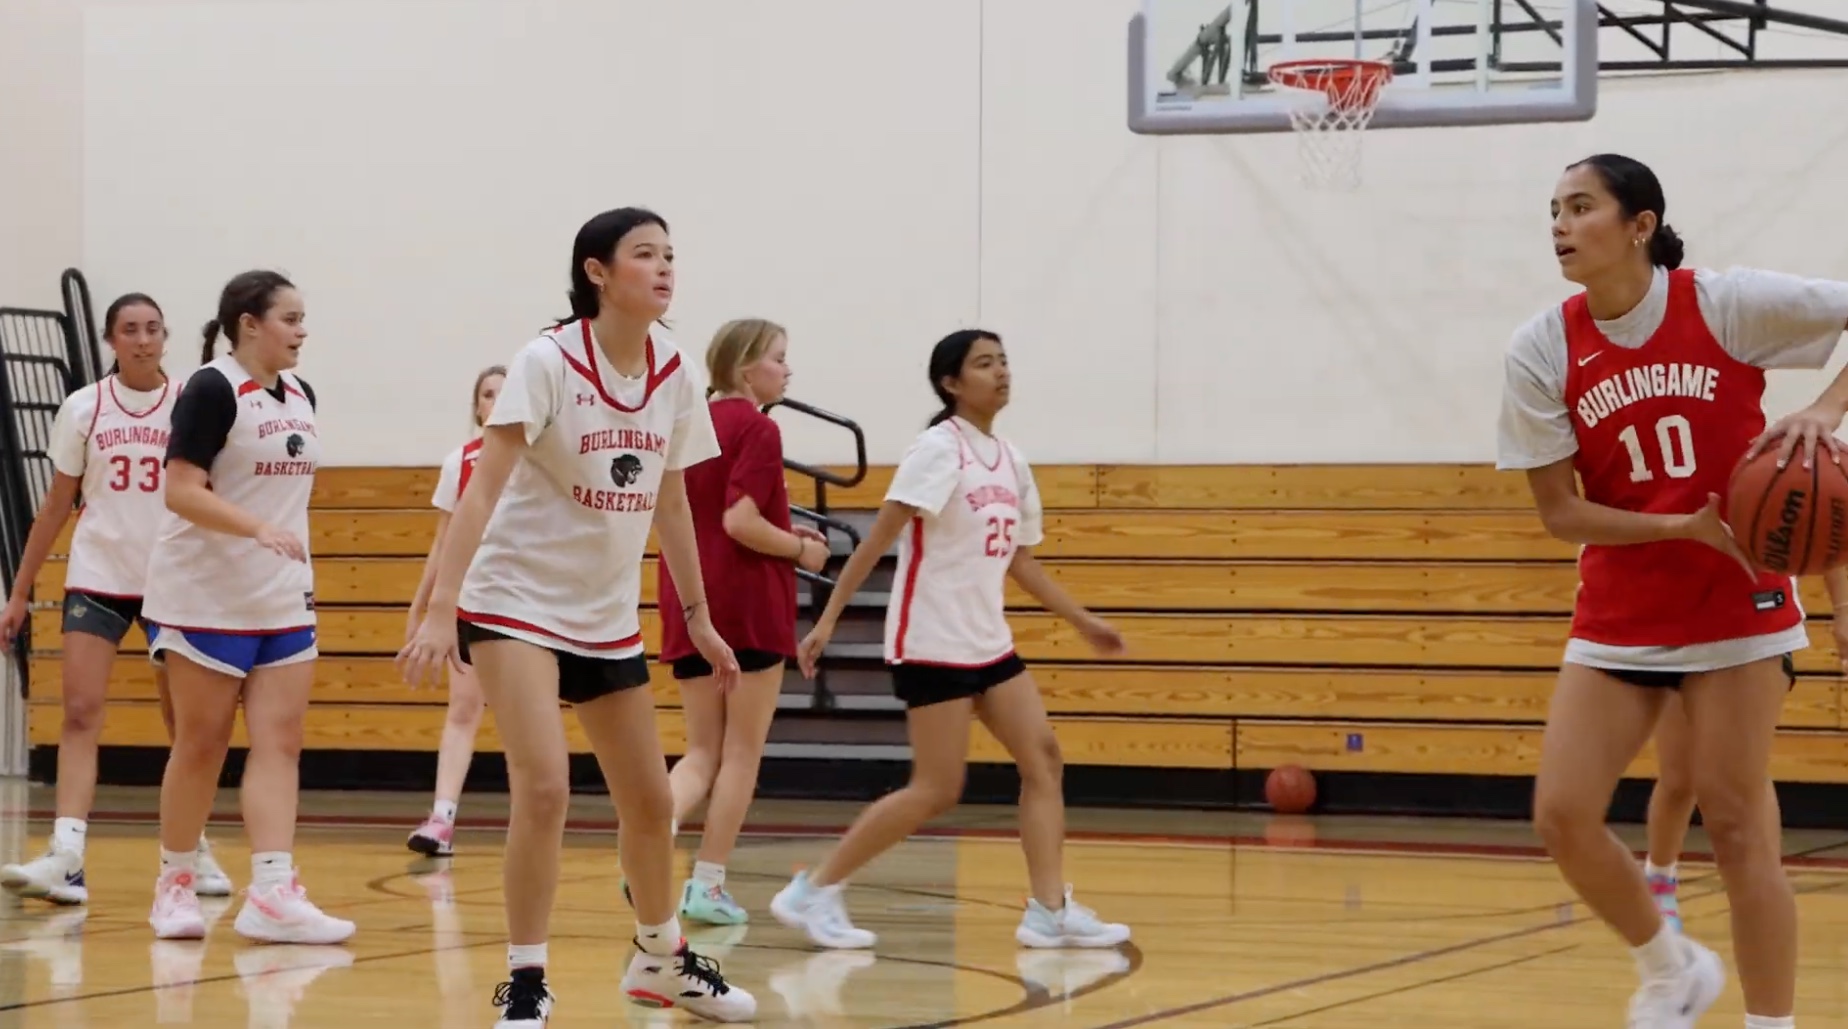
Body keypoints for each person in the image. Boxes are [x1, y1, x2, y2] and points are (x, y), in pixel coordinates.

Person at [1497, 152, 1848, 1029]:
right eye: (1554, 210)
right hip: (1623, 609)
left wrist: (1827, 410)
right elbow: (1559, 512)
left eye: (1581, 208)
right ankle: (1671, 965)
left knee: (1737, 824)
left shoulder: (1723, 304)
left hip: (1740, 606)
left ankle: (1773, 1023)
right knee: (1563, 815)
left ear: (1640, 225)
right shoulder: (1542, 345)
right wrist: (1674, 526)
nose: (1560, 226)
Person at [396, 206, 756, 1025]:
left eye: (671, 255)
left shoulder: (674, 368)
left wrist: (697, 614)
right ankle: (526, 979)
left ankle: (660, 961)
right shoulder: (546, 360)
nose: (665, 268)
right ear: (597, 271)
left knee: (652, 803)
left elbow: (671, 501)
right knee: (547, 787)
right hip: (513, 602)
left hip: (604, 614)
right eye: (645, 254)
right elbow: (483, 487)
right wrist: (441, 607)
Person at [770, 329, 1133, 952]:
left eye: (1004, 361)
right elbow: (881, 537)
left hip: (988, 642)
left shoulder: (1011, 460)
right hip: (932, 640)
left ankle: (1048, 911)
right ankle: (814, 892)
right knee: (938, 788)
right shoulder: (938, 450)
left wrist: (1082, 621)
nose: (1001, 372)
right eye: (984, 364)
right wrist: (827, 619)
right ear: (951, 383)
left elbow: (1021, 562)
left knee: (1043, 759)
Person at [142, 270, 355, 946]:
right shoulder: (211, 387)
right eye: (290, 318)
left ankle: (272, 889)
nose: (302, 330)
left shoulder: (301, 393)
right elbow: (179, 490)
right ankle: (175, 881)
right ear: (249, 324)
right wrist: (253, 527)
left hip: (283, 594)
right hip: (206, 591)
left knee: (281, 742)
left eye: (302, 318)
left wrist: (274, 536)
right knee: (201, 743)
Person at [0, 293, 232, 904]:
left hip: (172, 581)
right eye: (130, 330)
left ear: (165, 336)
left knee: (184, 726)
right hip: (98, 575)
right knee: (79, 714)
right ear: (111, 341)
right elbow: (55, 508)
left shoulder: (190, 402)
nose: (143, 339)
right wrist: (19, 593)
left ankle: (193, 847)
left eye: (153, 328)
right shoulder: (84, 407)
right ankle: (66, 855)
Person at [655, 318, 828, 925]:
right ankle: (707, 885)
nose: (787, 370)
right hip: (747, 605)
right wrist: (801, 549)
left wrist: (783, 531)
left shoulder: (688, 424)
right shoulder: (758, 426)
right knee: (741, 753)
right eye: (779, 358)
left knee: (700, 750)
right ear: (746, 367)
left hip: (686, 594)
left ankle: (647, 853)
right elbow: (740, 522)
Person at [1641, 598, 1848, 936]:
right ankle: (1659, 879)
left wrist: (1843, 608)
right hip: (1680, 626)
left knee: (1747, 766)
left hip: (1760, 626)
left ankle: (1765, 889)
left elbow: (1830, 545)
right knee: (1680, 778)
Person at [404, 363, 506, 857]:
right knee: (463, 708)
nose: (496, 401)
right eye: (487, 394)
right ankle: (442, 816)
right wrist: (423, 607)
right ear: (477, 406)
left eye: (505, 393)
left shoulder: (542, 458)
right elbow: (442, 543)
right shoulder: (460, 462)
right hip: (473, 599)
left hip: (530, 604)